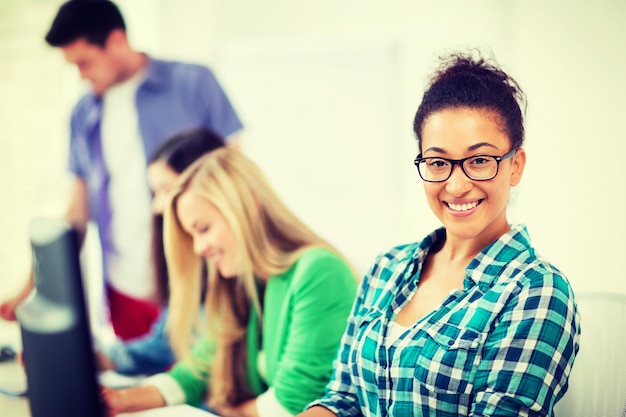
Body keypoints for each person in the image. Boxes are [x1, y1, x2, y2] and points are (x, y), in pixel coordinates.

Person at [299, 51, 581, 416]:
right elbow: (344, 399)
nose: (457, 184)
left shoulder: (536, 292)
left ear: (515, 166)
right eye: (438, 162)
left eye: (480, 160)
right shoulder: (387, 267)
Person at [0, 0, 243, 342]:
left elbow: (237, 180)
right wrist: (31, 286)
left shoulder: (194, 84)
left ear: (116, 41)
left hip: (200, 283)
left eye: (84, 62)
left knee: (198, 385)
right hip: (125, 291)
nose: (81, 75)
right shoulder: (83, 114)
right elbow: (76, 213)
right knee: (134, 381)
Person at [102, 148, 358, 417]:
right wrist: (119, 400)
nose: (199, 248)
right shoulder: (243, 284)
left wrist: (232, 412)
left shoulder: (318, 271)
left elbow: (292, 403)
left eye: (203, 229)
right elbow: (196, 372)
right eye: (193, 236)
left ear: (246, 205)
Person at [96, 127, 225, 376]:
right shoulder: (193, 262)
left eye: (167, 190)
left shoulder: (232, 265)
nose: (157, 207)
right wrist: (95, 358)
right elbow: (163, 344)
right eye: (155, 193)